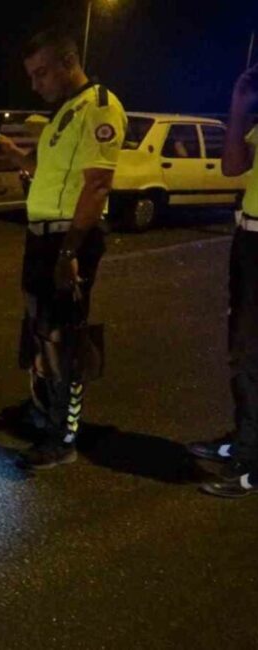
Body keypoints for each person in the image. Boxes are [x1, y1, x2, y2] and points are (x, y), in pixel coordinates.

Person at [0, 28, 127, 470]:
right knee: (39, 333)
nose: (36, 85)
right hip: (42, 236)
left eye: (42, 73)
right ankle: (44, 410)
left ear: (69, 63)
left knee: (64, 339)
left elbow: (98, 185)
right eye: (31, 76)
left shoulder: (99, 108)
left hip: (70, 239)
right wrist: (13, 153)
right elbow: (41, 170)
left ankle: (63, 436)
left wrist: (70, 254)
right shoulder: (62, 114)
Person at [188, 62, 258, 498]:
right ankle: (247, 442)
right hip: (248, 239)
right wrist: (239, 105)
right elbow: (232, 166)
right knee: (244, 352)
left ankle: (253, 464)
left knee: (253, 353)